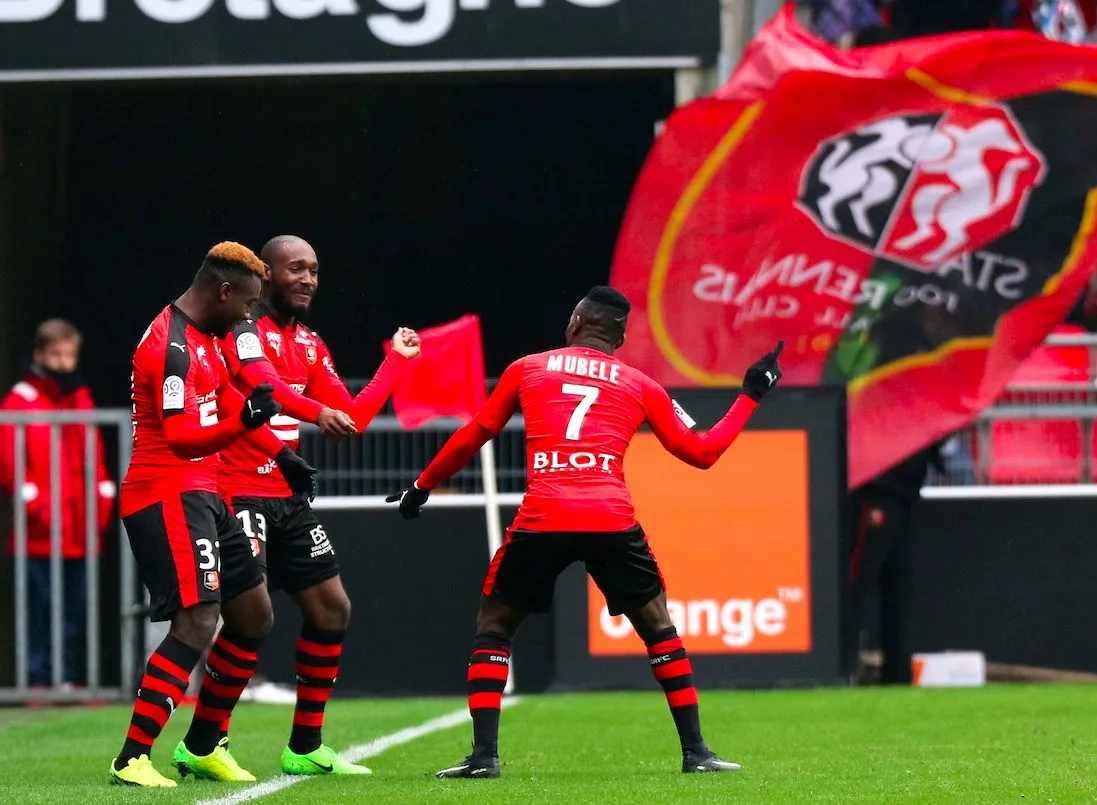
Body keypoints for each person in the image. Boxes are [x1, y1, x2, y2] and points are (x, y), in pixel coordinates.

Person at [387, 287, 785, 779]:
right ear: (620, 337)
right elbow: (702, 452)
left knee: (495, 625)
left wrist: (422, 485)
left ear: (576, 320)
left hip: (545, 516)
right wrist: (751, 394)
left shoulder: (527, 368)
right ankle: (697, 752)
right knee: (658, 626)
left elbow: (477, 432)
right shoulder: (640, 384)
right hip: (609, 517)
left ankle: (484, 757)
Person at [206, 234, 420, 776]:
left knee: (332, 607)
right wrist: (314, 412)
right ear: (267, 275)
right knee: (250, 619)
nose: (306, 279)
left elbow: (351, 416)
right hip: (235, 489)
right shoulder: (242, 328)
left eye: (315, 271)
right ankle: (207, 742)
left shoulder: (311, 345)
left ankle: (304, 746)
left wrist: (394, 363)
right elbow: (267, 390)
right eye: (295, 268)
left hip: (287, 497)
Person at [109, 242, 318, 787]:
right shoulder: (170, 346)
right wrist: (246, 424)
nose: (251, 315)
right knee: (199, 621)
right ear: (223, 292)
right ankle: (132, 757)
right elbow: (180, 439)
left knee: (254, 615)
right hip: (166, 493)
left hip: (207, 494)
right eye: (248, 304)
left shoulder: (206, 337)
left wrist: (284, 455)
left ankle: (203, 746)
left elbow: (227, 399)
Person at [0, 319, 115, 690]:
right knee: (40, 611)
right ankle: (38, 681)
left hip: (80, 529)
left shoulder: (80, 397)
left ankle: (67, 679)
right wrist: (34, 504)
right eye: (56, 354)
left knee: (74, 613)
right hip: (39, 531)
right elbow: (9, 462)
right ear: (39, 354)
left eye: (70, 355)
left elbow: (93, 455)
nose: (64, 363)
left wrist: (102, 501)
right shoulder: (20, 400)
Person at [848, 444, 944, 684]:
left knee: (900, 588)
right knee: (858, 586)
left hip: (905, 490)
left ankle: (898, 676)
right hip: (875, 487)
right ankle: (844, 670)